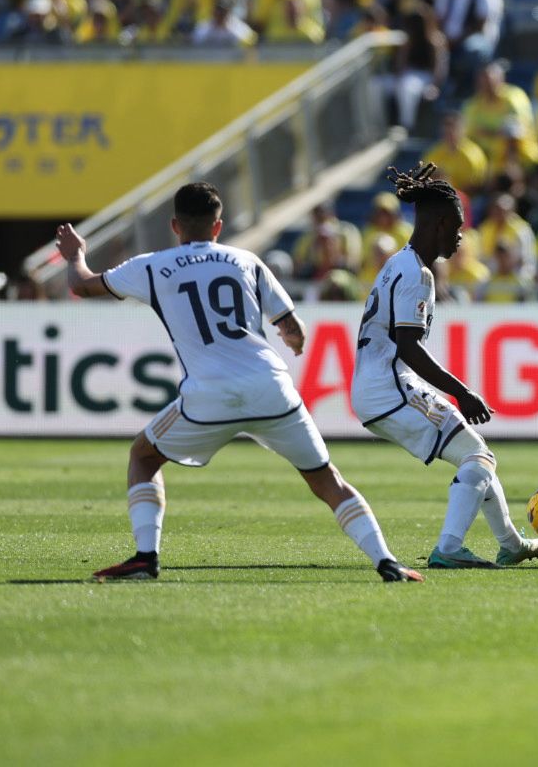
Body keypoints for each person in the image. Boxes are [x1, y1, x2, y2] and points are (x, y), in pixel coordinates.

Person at [54, 183, 418, 584]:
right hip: (270, 386)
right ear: (219, 226)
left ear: (175, 225)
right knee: (327, 479)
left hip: (210, 393)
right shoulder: (246, 261)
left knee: (143, 456)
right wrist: (293, 341)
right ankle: (387, 561)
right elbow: (292, 328)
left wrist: (75, 256)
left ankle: (145, 556)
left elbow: (81, 285)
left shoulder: (152, 266)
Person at [350, 164, 538, 570]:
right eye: (457, 226)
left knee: (477, 454)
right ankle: (450, 548)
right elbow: (409, 347)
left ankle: (510, 542)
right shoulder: (416, 274)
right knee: (478, 458)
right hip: (390, 386)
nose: (461, 236)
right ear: (439, 223)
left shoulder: (397, 262)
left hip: (379, 386)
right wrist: (462, 390)